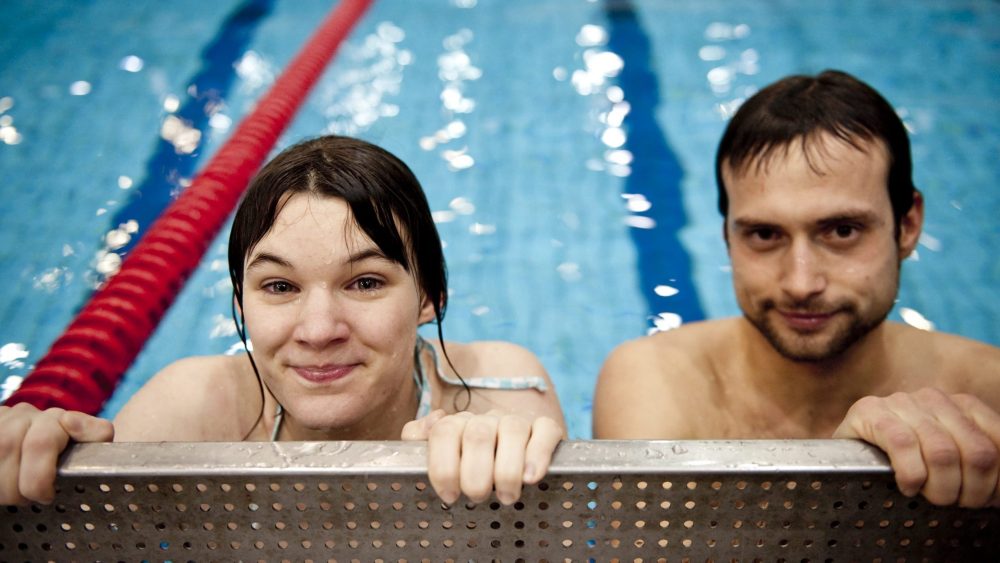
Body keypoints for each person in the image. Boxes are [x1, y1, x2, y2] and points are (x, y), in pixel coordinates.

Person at [0, 135, 565, 507]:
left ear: (429, 297)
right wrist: (31, 462)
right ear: (242, 307)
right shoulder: (194, 410)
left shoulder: (500, 389)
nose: (318, 330)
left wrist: (502, 476)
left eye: (365, 282)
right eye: (280, 287)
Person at [594, 70, 1000, 508]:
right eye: (765, 235)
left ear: (908, 226)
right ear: (728, 238)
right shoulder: (657, 381)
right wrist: (844, 479)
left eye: (842, 231)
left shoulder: (986, 391)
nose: (801, 283)